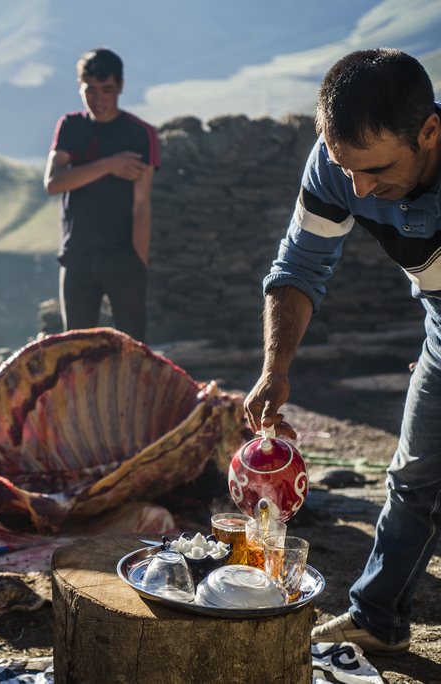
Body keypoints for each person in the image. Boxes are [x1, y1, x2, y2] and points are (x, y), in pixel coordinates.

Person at [244, 48, 441, 657]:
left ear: (430, 131)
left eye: (377, 170)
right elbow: (301, 264)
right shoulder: (340, 167)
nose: (360, 189)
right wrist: (275, 368)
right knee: (413, 479)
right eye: (344, 166)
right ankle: (378, 617)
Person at [44, 47, 159, 341]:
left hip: (124, 255)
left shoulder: (141, 134)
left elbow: (142, 205)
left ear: (120, 86)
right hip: (77, 255)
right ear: (80, 87)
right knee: (76, 348)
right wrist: (109, 164)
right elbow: (53, 183)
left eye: (107, 90)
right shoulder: (70, 126)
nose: (98, 99)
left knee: (133, 346)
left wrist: (140, 262)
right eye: (90, 90)